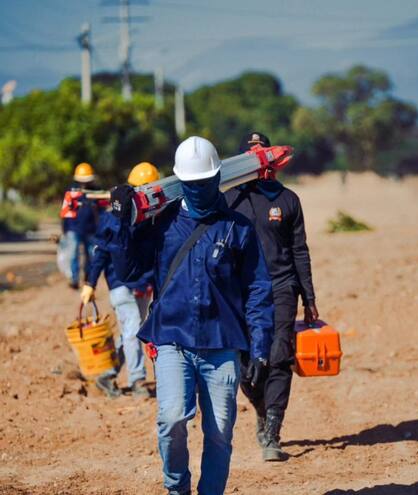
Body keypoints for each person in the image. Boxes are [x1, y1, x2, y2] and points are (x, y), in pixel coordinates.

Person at [107, 136, 274, 495]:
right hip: (172, 340)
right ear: (180, 182)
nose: (198, 191)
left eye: (204, 183)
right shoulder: (162, 225)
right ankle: (176, 488)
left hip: (222, 345)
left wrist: (259, 347)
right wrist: (122, 224)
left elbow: (259, 288)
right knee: (170, 420)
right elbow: (130, 271)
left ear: (218, 180)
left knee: (219, 433)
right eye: (192, 185)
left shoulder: (238, 228)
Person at [226, 132, 318, 461]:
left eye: (261, 153)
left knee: (279, 356)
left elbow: (299, 250)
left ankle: (272, 432)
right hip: (241, 292)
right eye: (250, 154)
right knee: (245, 362)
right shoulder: (231, 199)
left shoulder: (288, 200)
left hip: (282, 287)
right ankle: (262, 407)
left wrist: (308, 297)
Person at [80, 162, 161, 399]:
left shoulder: (154, 218)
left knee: (131, 331)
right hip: (119, 283)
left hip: (143, 284)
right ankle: (137, 381)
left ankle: (108, 372)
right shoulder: (112, 219)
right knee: (133, 329)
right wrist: (90, 284)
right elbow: (101, 253)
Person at [60, 163, 100, 289]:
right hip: (73, 228)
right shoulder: (71, 192)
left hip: (91, 229)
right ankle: (74, 278)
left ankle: (88, 277)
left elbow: (101, 212)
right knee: (73, 254)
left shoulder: (96, 192)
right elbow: (65, 212)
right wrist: (65, 229)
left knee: (92, 254)